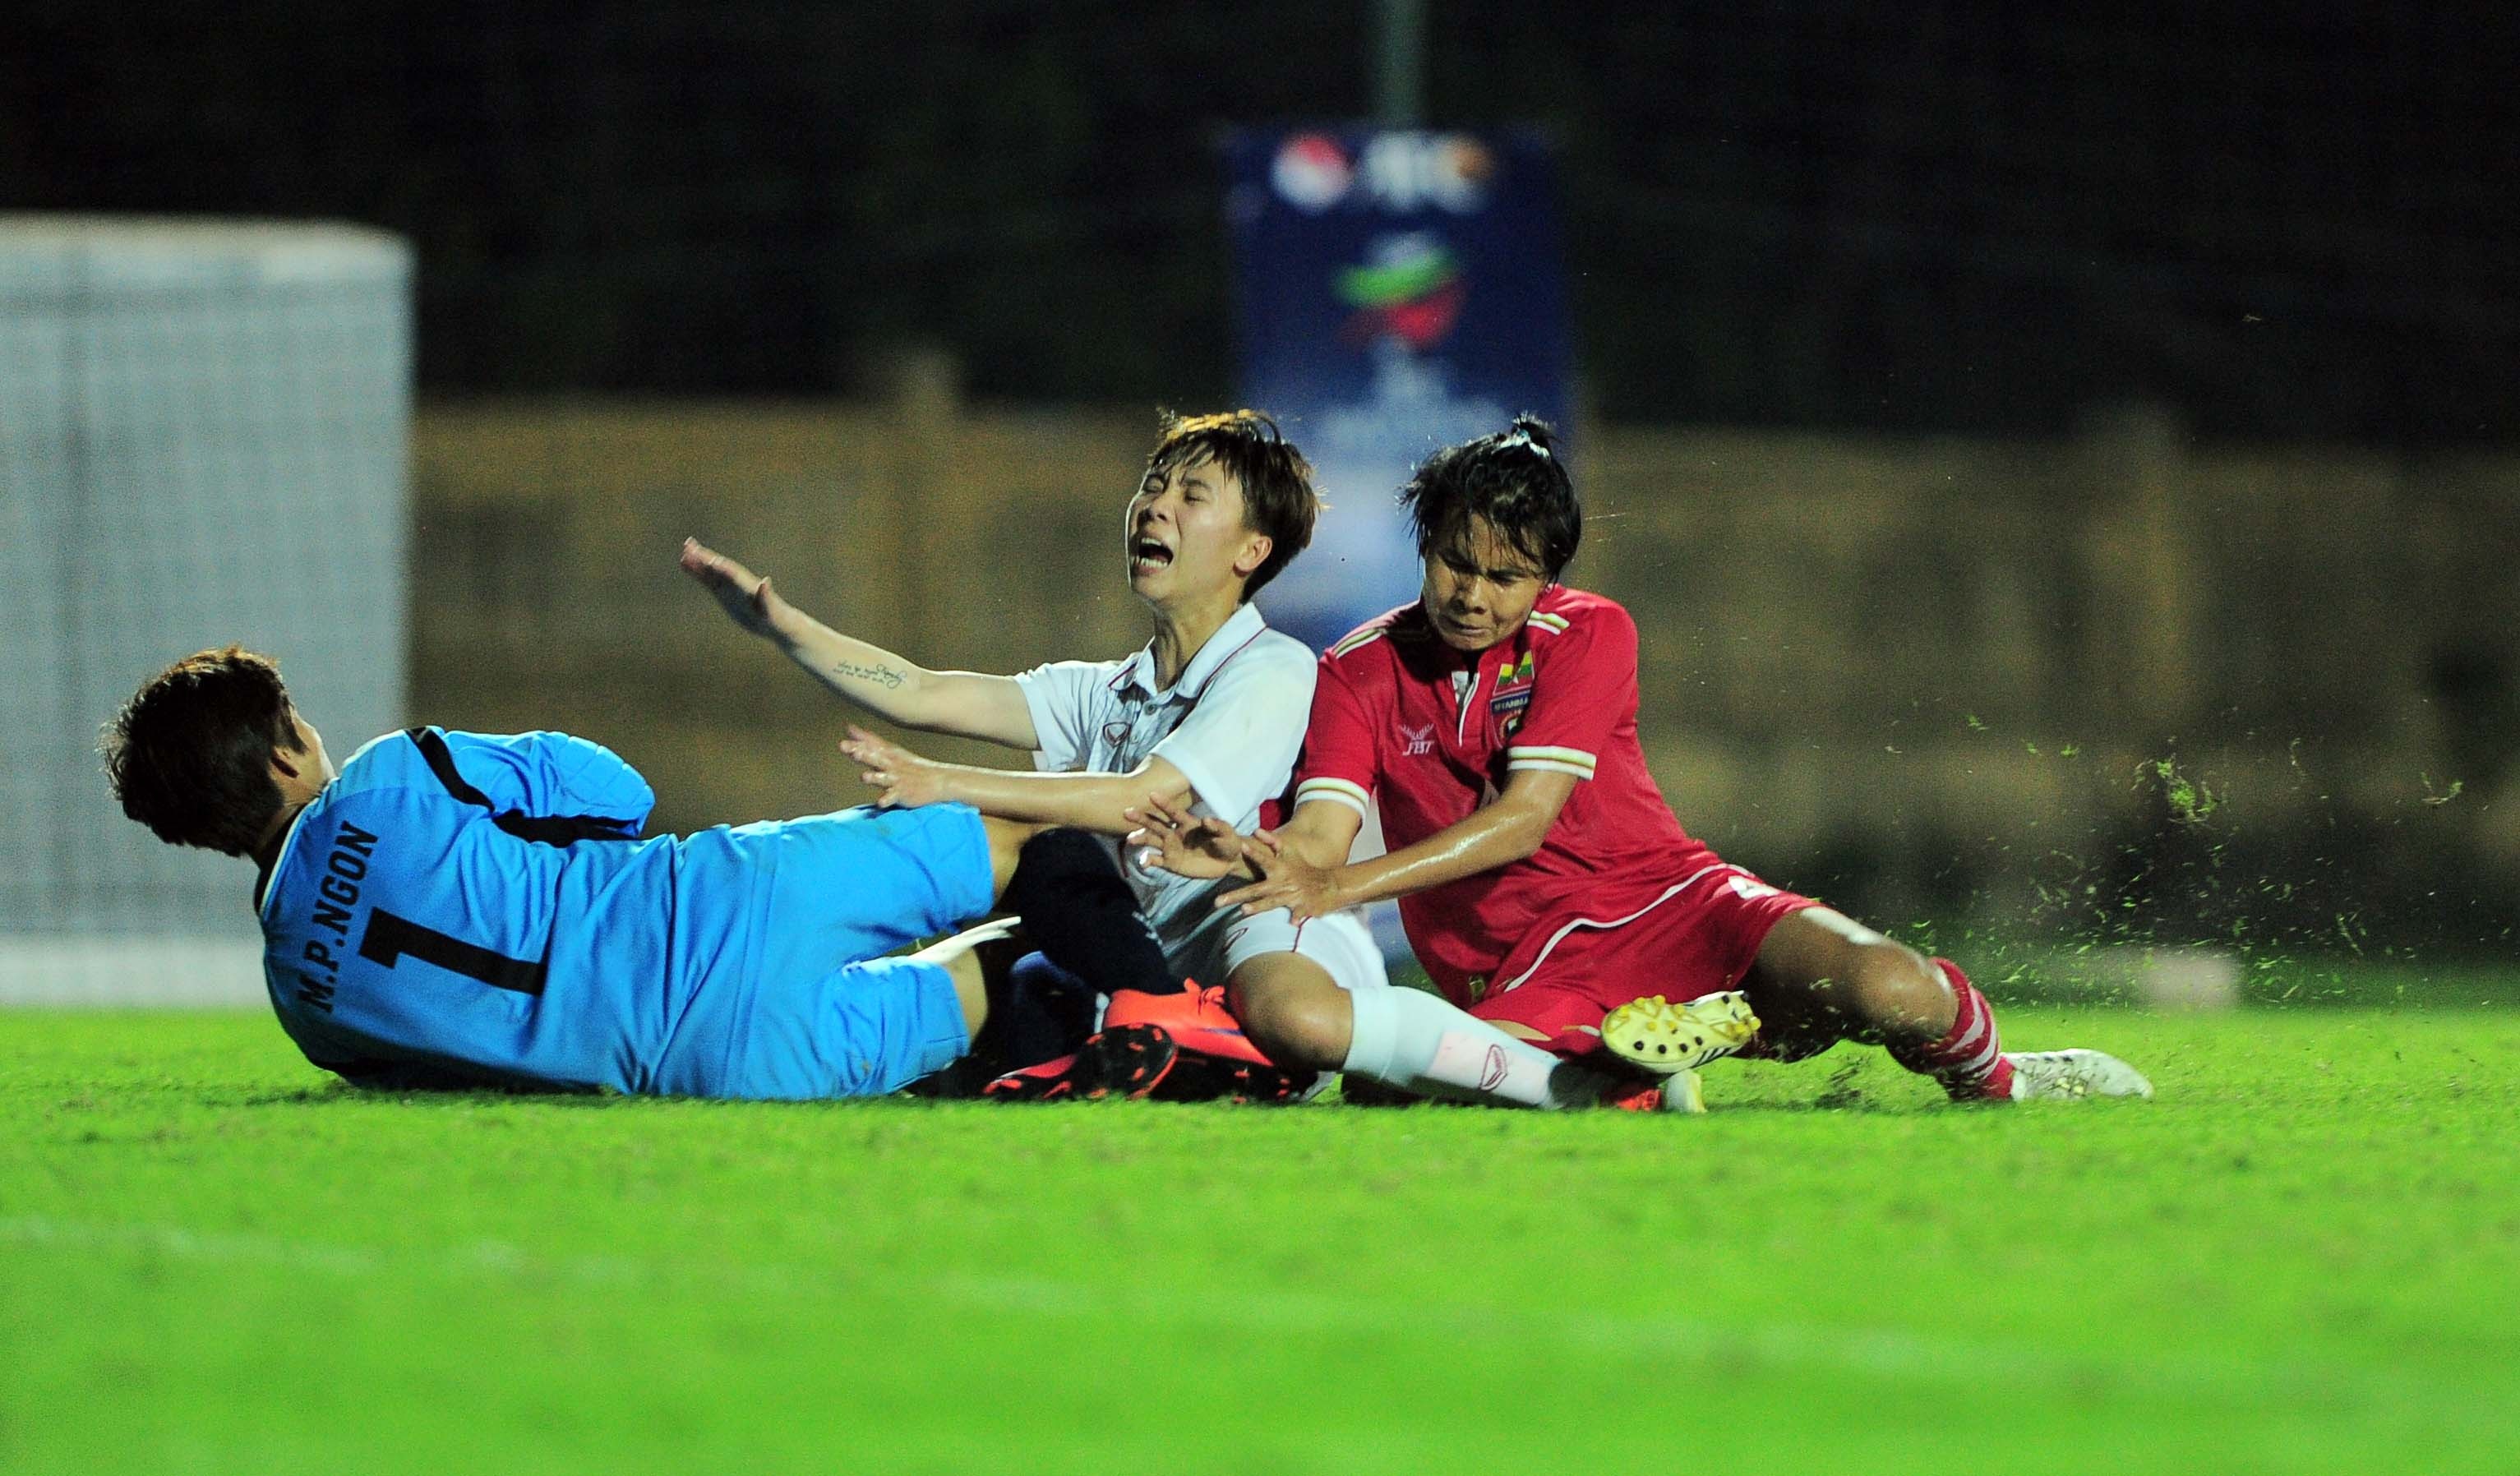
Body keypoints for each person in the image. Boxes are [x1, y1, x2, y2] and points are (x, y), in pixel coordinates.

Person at [1131, 417, 2153, 1106]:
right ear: (1424, 540)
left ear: (1551, 579)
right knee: (1433, 1084)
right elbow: (1321, 833)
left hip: (1676, 898)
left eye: (1508, 575)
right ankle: (1660, 1051)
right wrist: (1267, 858)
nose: (1474, 594)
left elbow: (1528, 816)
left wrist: (1340, 883)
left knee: (1889, 987)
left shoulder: (1592, 632)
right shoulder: (1358, 669)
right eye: (1455, 560)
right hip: (1523, 963)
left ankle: (2002, 1079)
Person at [682, 409, 1679, 1109]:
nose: (1153, 505)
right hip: (1149, 963)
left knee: (1059, 863)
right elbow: (926, 688)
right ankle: (1151, 1037)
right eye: (1152, 485)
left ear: (1251, 549)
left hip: (1263, 938)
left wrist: (945, 782)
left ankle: (1557, 1084)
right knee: (989, 1025)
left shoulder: (1275, 670)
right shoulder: (1104, 688)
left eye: (1189, 493)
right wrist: (781, 626)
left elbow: (1142, 798)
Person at [101, 645, 1169, 1100]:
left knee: (1001, 1012)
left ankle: (1111, 1030)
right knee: (1033, 846)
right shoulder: (386, 782)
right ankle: (1190, 1010)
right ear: (289, 751)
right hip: (725, 901)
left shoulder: (304, 1004)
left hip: (718, 1065)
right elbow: (612, 789)